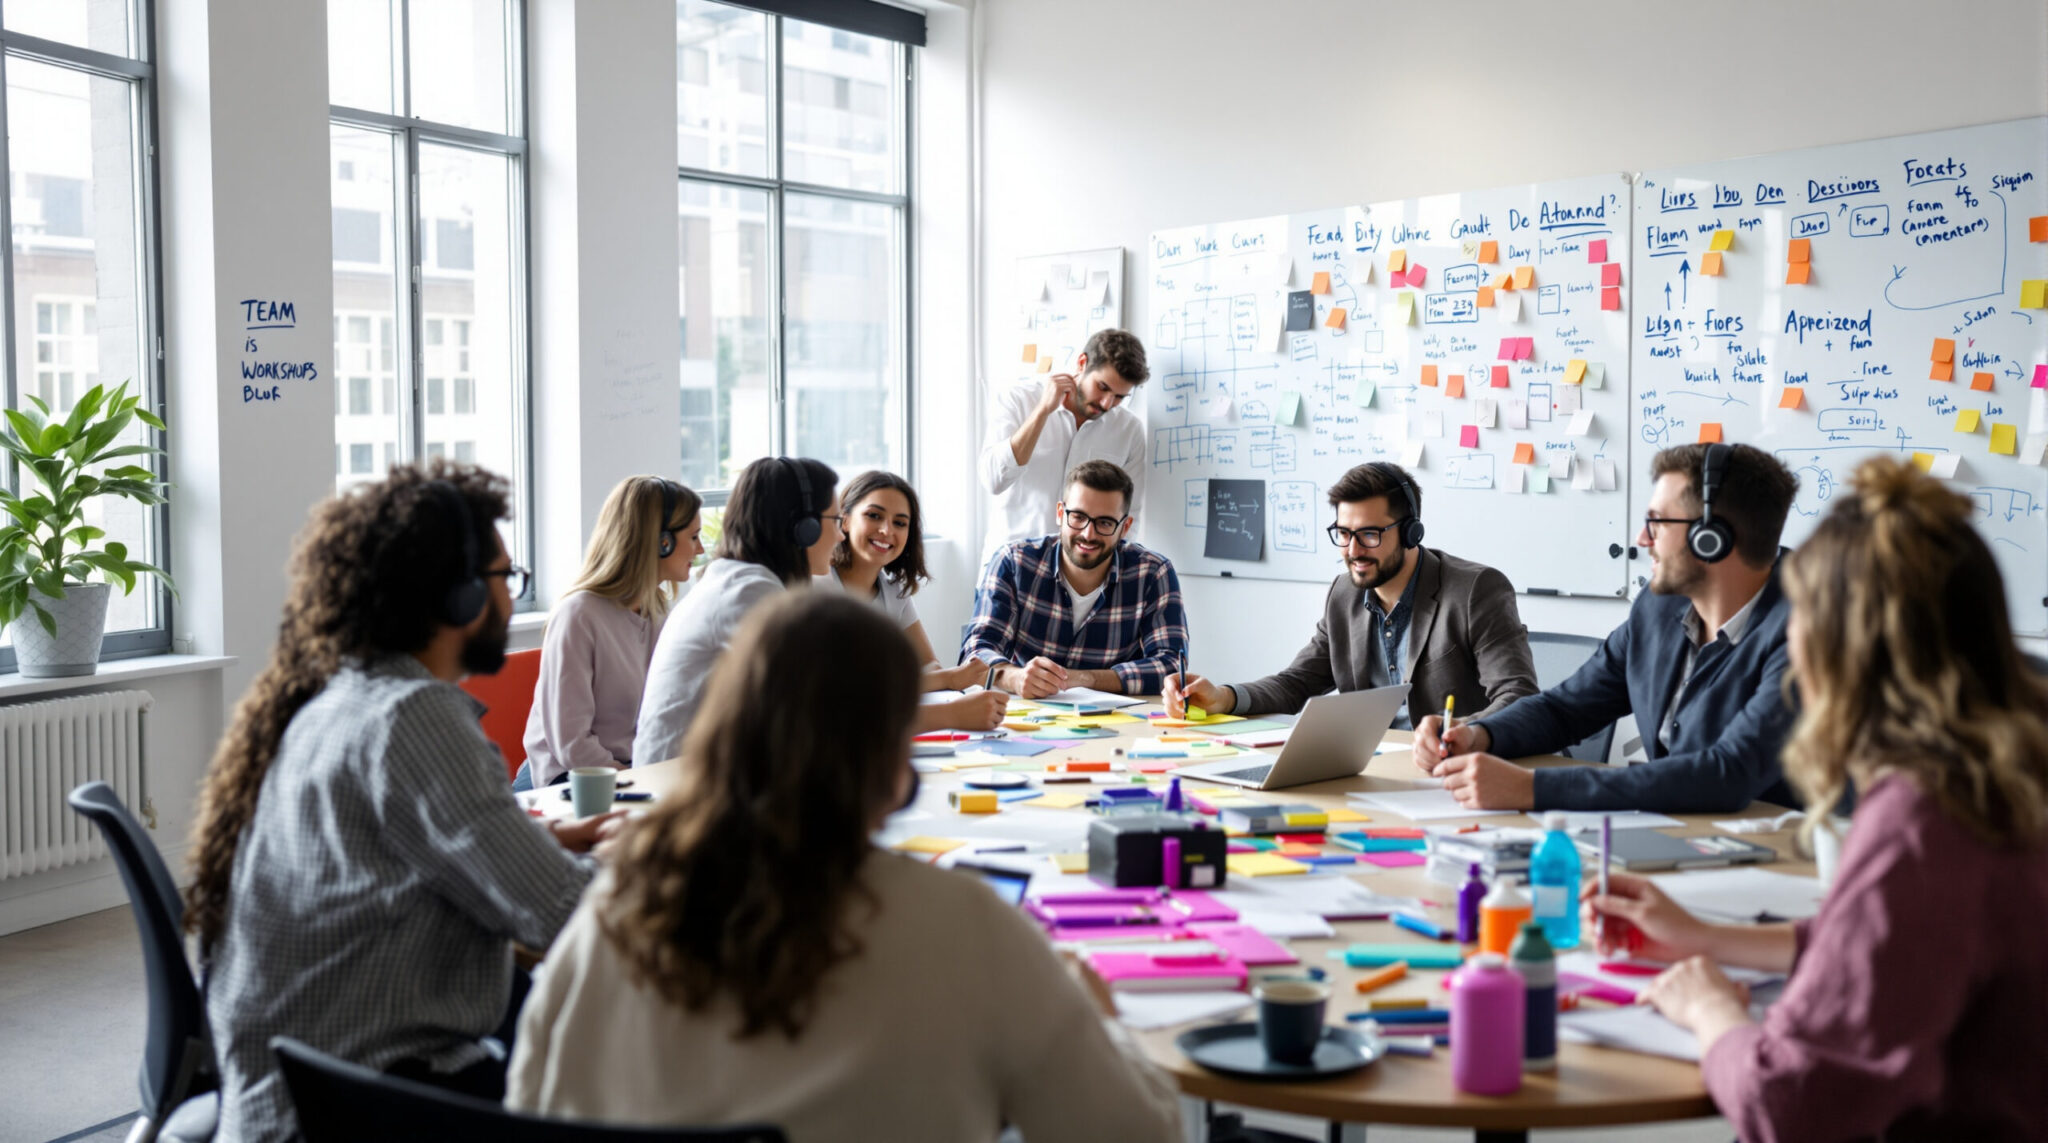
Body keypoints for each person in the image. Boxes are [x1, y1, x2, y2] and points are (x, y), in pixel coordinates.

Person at [507, 592, 1183, 1142]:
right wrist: (1100, 1021)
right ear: (895, 767)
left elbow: (529, 1099)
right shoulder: (965, 926)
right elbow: (1140, 1132)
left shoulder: (620, 908)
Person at [1586, 457, 2048, 1142]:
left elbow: (1790, 1105)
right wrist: (1706, 936)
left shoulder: (1921, 821)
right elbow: (1883, 951)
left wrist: (1712, 1012)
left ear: (1839, 642)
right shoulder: (1999, 775)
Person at [184, 462, 619, 1143]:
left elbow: (415, 863)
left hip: (307, 1091)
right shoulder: (417, 716)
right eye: (507, 577)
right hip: (363, 1106)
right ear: (460, 596)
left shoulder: (341, 699)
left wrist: (538, 847)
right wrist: (671, 865)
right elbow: (561, 912)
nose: (512, 597)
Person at [1414, 443, 1801, 813]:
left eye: (1657, 522)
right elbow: (1566, 709)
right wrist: (1479, 734)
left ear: (1711, 538)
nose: (1641, 539)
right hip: (1684, 837)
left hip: (1788, 855)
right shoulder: (1658, 608)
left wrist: (1532, 788)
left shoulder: (1809, 633)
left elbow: (1728, 773)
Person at [1164, 462, 1537, 729]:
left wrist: (1459, 733)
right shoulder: (1344, 594)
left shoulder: (1475, 590)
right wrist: (1224, 698)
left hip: (1467, 768)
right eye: (1343, 533)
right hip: (1380, 770)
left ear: (1412, 533)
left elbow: (1518, 697)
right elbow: (1297, 683)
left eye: (1369, 535)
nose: (1353, 550)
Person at [633, 456, 838, 767]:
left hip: (709, 777)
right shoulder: (748, 592)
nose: (841, 535)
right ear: (803, 529)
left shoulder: (742, 581)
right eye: (835, 521)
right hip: (682, 790)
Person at [516, 475, 704, 790]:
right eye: (694, 537)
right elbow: (571, 743)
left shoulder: (658, 611)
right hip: (570, 778)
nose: (700, 550)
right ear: (661, 542)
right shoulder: (579, 615)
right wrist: (630, 778)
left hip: (631, 770)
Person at [964, 460, 1186, 697]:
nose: (1088, 534)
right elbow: (976, 652)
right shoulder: (1013, 563)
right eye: (1078, 517)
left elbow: (1171, 665)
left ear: (1125, 527)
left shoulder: (1153, 573)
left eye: (1105, 523)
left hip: (1116, 720)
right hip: (1028, 715)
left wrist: (1084, 678)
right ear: (1060, 513)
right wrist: (1015, 677)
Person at [823, 470, 1007, 732]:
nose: (887, 530)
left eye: (900, 523)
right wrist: (950, 678)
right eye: (874, 516)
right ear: (845, 520)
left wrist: (944, 678)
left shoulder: (893, 591)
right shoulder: (817, 586)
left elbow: (927, 665)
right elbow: (853, 690)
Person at [980, 328, 1149, 563]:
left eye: (1120, 396)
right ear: (1082, 363)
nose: (1107, 403)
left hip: (1082, 581)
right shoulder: (1018, 401)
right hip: (1009, 570)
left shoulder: (1129, 430)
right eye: (1102, 387)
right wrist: (1042, 412)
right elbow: (994, 479)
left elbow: (1130, 517)